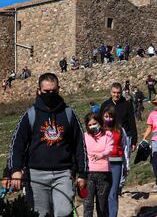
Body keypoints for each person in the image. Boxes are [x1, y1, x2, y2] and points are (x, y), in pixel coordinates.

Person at [7, 73, 88, 217]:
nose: (50, 94)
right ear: (39, 91)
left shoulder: (69, 114)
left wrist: (82, 173)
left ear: (58, 89)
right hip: (36, 175)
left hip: (64, 174)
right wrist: (15, 170)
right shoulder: (30, 115)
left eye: (54, 91)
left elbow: (80, 145)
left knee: (64, 212)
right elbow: (17, 144)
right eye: (46, 92)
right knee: (40, 214)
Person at [99, 83, 137, 194]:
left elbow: (132, 122)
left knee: (125, 160)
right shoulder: (105, 104)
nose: (116, 95)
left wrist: (134, 140)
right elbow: (100, 121)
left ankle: (119, 186)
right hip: (108, 136)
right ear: (111, 92)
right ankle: (109, 184)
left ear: (121, 93)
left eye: (118, 93)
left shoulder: (127, 104)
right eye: (114, 93)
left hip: (125, 136)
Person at [83, 113, 114, 217]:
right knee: (88, 204)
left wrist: (101, 155)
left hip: (104, 173)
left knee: (102, 206)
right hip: (88, 174)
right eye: (90, 124)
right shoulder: (84, 136)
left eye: (94, 123)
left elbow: (109, 149)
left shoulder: (108, 134)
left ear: (100, 123)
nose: (92, 126)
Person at [102, 107, 129, 217]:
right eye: (106, 116)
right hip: (102, 165)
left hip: (116, 164)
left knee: (113, 193)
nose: (109, 118)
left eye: (111, 116)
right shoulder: (99, 130)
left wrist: (126, 166)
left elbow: (125, 147)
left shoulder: (119, 130)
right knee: (103, 193)